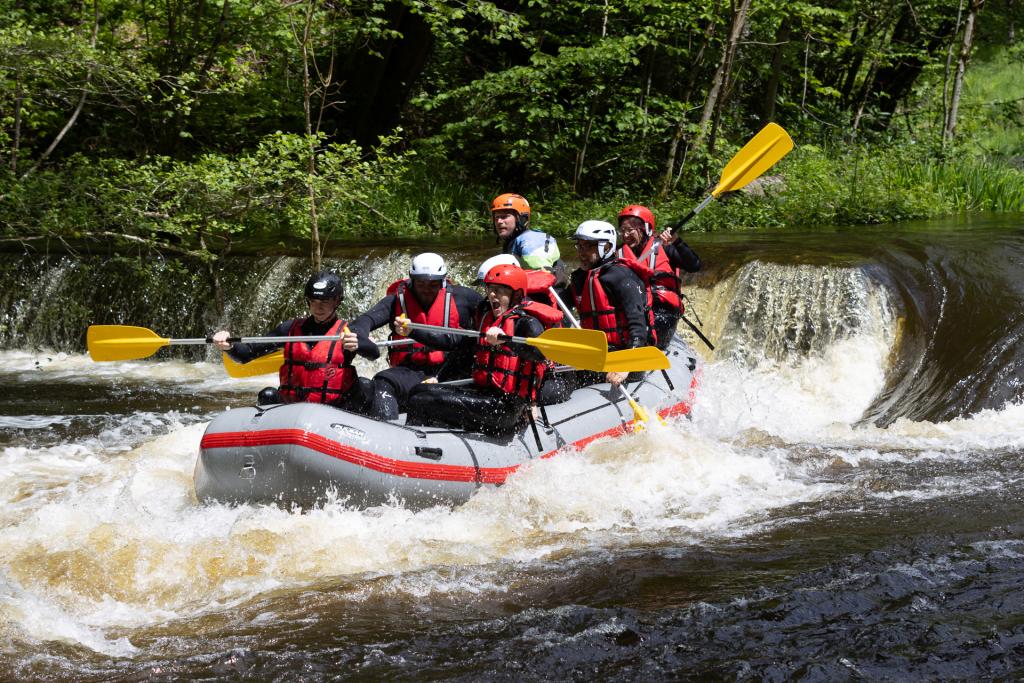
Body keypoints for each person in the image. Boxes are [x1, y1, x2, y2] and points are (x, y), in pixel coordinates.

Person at [401, 263, 565, 434]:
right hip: (483, 395)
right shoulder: (485, 318)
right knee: (420, 390)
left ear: (516, 295)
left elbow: (539, 355)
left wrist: (506, 341)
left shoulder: (527, 323)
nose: (492, 294)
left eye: (499, 290)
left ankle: (414, 446)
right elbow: (462, 349)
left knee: (420, 399)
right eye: (490, 289)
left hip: (505, 408)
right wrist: (438, 376)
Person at [212, 271, 378, 410]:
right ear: (308, 302)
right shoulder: (289, 329)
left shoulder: (348, 332)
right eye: (314, 301)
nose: (318, 308)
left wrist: (358, 344)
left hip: (333, 408)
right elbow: (246, 354)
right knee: (267, 395)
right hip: (292, 408)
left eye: (325, 302)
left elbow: (374, 353)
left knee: (365, 385)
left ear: (337, 302)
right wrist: (229, 346)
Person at [349, 253, 483, 420]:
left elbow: (492, 319)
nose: (426, 289)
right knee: (383, 381)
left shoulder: (464, 299)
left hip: (449, 372)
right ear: (412, 280)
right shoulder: (396, 301)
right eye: (421, 284)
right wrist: (360, 337)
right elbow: (365, 320)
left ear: (442, 281)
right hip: (411, 370)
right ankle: (386, 430)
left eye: (433, 284)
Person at [568, 220, 655, 387]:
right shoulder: (580, 278)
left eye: (588, 246)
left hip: (623, 357)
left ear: (606, 247)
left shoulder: (621, 277)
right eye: (579, 246)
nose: (582, 253)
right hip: (595, 356)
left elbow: (638, 326)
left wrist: (627, 365)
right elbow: (557, 306)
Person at [616, 204, 701, 348]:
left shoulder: (665, 247)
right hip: (632, 312)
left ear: (646, 229)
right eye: (622, 230)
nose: (625, 235)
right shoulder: (618, 254)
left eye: (630, 230)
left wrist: (677, 242)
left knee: (646, 335)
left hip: (662, 311)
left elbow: (695, 265)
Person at [490, 193, 568, 294]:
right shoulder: (512, 242)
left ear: (521, 219)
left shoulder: (531, 241)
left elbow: (541, 279)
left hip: (550, 296)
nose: (499, 221)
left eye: (504, 216)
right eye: (496, 217)